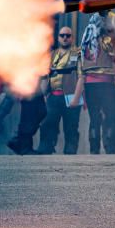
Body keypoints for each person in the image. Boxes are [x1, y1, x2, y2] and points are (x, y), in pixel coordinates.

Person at [71, 14, 115, 154]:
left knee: (94, 118)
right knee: (110, 117)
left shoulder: (84, 44)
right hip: (107, 83)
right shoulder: (109, 40)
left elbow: (81, 71)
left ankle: (94, 150)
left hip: (90, 86)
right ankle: (111, 149)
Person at [37, 26, 81, 154]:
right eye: (62, 35)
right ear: (58, 38)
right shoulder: (52, 55)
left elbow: (81, 76)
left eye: (68, 35)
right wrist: (44, 95)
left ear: (72, 38)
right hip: (54, 96)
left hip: (71, 95)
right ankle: (45, 148)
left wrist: (77, 97)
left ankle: (70, 153)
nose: (65, 38)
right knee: (47, 124)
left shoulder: (78, 53)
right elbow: (45, 76)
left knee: (71, 127)